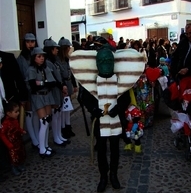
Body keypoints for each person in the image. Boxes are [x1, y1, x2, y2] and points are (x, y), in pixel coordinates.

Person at [69, 39, 145, 192]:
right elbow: (85, 97)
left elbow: (124, 96)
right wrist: (93, 109)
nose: (105, 62)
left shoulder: (120, 79)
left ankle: (114, 176)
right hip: (100, 122)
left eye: (108, 59)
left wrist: (119, 108)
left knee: (115, 150)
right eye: (101, 60)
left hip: (116, 120)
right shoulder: (91, 80)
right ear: (96, 63)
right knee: (102, 150)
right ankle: (103, 176)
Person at [26, 47, 56, 158]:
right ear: (34, 58)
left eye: (43, 56)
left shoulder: (45, 68)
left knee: (47, 121)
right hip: (38, 97)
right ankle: (42, 149)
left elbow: (52, 83)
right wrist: (44, 83)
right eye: (39, 56)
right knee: (43, 121)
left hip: (47, 95)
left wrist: (41, 83)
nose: (42, 58)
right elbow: (33, 87)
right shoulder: (31, 70)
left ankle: (46, 145)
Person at [43, 37, 70, 146]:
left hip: (58, 89)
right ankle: (56, 137)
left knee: (58, 114)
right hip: (54, 90)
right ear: (50, 49)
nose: (57, 50)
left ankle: (59, 135)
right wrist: (61, 85)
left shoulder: (54, 61)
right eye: (55, 48)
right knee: (55, 115)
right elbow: (52, 77)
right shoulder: (48, 62)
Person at [16, 33, 40, 150]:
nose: (30, 44)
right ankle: (34, 140)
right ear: (24, 43)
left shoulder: (37, 55)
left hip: (37, 89)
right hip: (26, 90)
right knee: (29, 114)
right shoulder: (20, 59)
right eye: (28, 42)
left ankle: (38, 138)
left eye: (33, 41)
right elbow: (19, 78)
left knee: (36, 114)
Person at [57, 37, 78, 138]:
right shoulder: (57, 60)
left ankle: (68, 126)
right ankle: (63, 128)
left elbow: (71, 73)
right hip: (63, 85)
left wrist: (74, 85)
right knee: (63, 109)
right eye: (68, 48)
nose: (69, 49)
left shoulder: (67, 59)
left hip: (68, 83)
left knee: (68, 108)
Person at [0, 101, 26, 176]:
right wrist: (8, 144)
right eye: (16, 112)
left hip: (18, 141)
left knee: (20, 153)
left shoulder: (15, 120)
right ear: (9, 113)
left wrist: (22, 131)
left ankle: (19, 164)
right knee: (13, 156)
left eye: (18, 111)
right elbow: (2, 134)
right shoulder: (5, 123)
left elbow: (17, 128)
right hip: (11, 143)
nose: (18, 113)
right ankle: (14, 167)